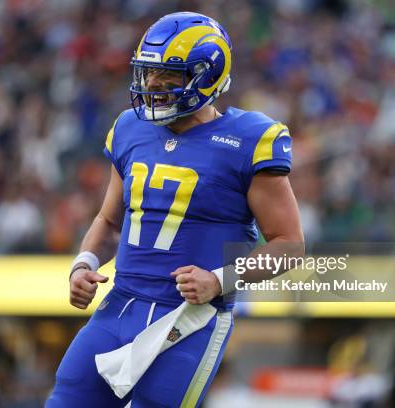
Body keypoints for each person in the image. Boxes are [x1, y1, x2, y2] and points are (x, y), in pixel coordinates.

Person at [46, 11, 303, 408]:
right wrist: (84, 263)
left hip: (190, 318)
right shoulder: (130, 127)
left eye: (169, 76)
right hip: (121, 303)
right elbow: (110, 220)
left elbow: (290, 245)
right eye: (149, 73)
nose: (153, 85)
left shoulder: (249, 139)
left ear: (207, 76)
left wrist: (219, 280)